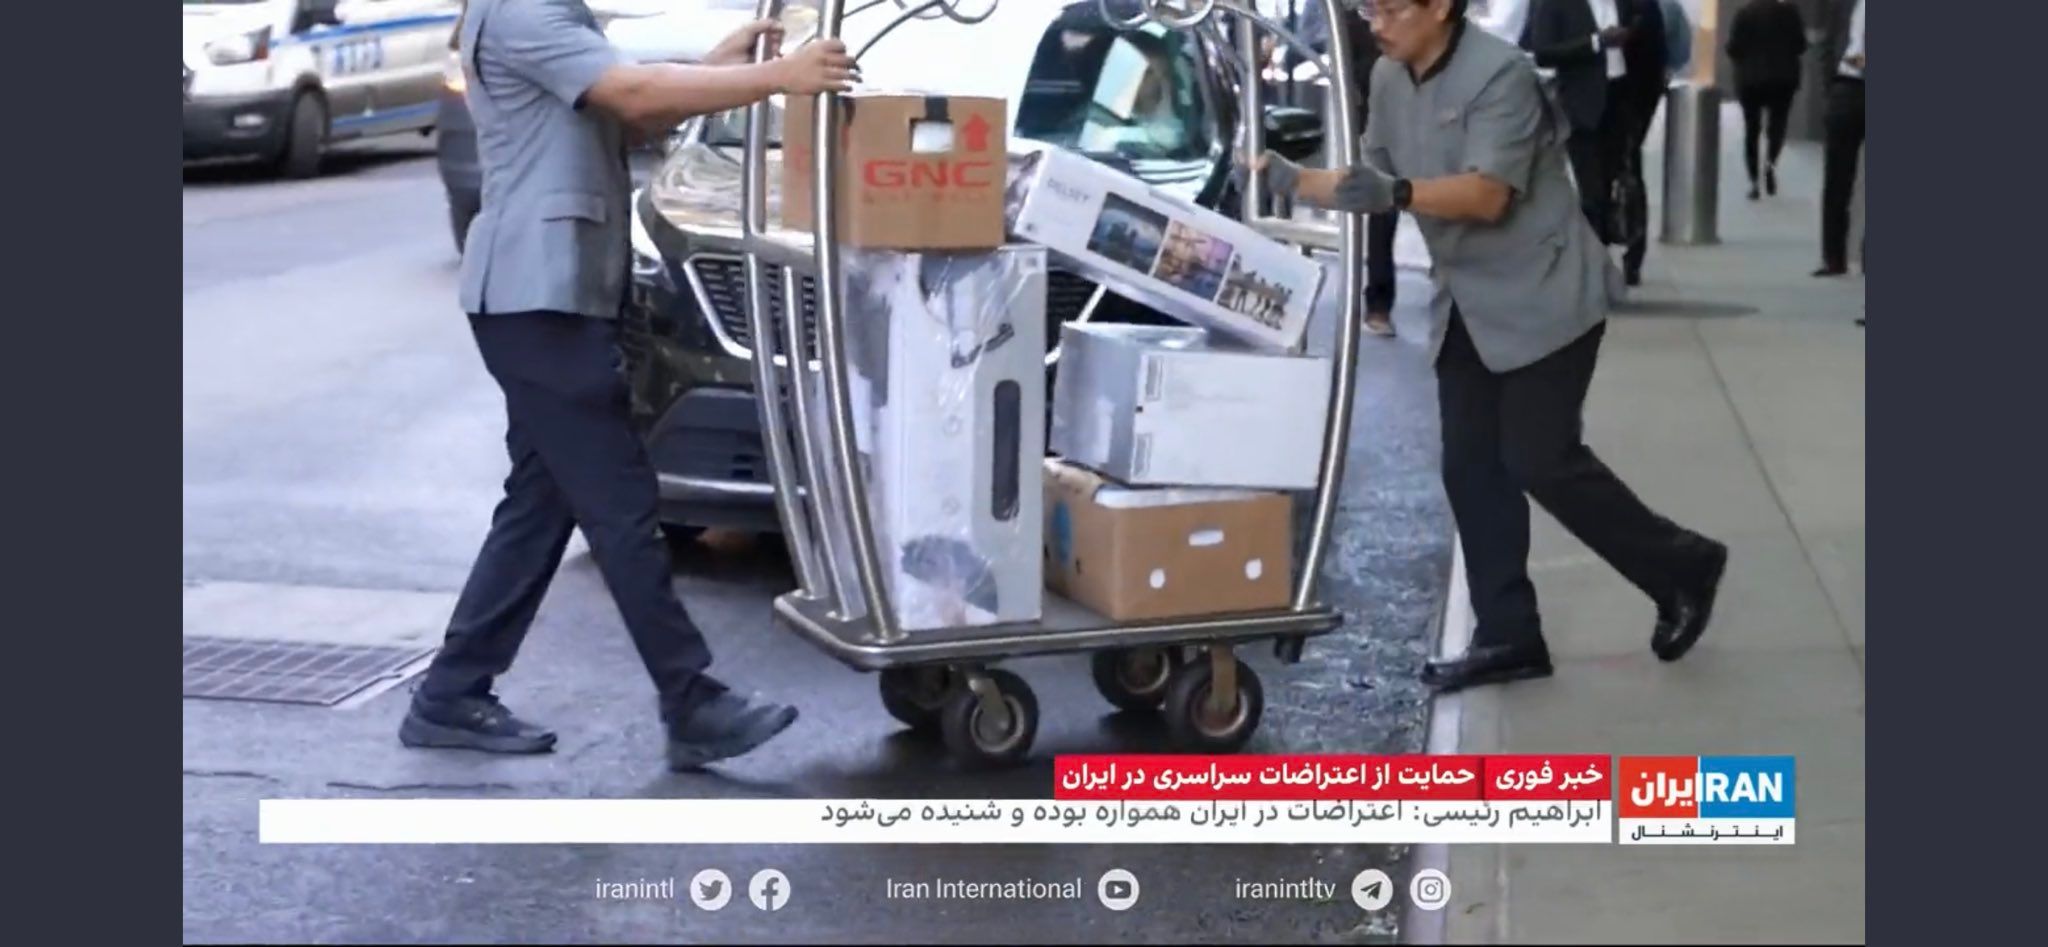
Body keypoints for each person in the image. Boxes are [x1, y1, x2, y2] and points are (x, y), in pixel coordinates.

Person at [402, 0, 856, 769]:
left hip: (549, 294)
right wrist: (777, 77)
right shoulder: (525, 12)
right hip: (536, 298)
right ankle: (692, 700)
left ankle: (451, 693)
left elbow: (621, 116)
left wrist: (720, 71)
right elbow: (633, 96)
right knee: (620, 502)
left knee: (540, 506)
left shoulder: (546, 15)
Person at [1249, 0, 1728, 693]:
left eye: (1389, 8)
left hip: (1546, 291)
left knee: (1540, 457)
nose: (1374, 22)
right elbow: (1369, 180)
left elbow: (1487, 196)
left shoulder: (1501, 75)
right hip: (1468, 301)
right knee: (1470, 467)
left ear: (1440, 7)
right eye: (1366, 8)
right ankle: (1509, 635)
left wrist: (1399, 189)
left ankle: (1682, 563)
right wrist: (1291, 179)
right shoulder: (1388, 77)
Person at [1292, 0, 1401, 336]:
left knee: (1405, 202)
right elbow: (1312, 39)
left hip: (1410, 105)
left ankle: (1384, 302)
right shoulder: (1347, 14)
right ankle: (1378, 303)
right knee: (1383, 202)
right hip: (1373, 116)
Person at [1521, 0, 1641, 249]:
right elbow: (1542, 53)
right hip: (1582, 105)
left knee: (1613, 188)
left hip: (1620, 100)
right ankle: (1592, 266)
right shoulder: (1555, 4)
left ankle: (1606, 249)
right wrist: (1596, 42)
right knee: (1592, 193)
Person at [1725, 0, 1809, 201]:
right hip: (1782, 79)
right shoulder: (1789, 13)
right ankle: (1770, 164)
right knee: (1777, 126)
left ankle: (1754, 182)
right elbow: (1801, 45)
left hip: (1750, 80)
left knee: (1751, 130)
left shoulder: (1744, 14)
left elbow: (1733, 48)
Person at [1614, 0, 1669, 285]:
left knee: (1627, 177)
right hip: (1631, 101)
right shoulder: (1648, 7)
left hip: (1627, 102)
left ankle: (1631, 251)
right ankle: (1632, 253)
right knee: (1629, 175)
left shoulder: (1641, 8)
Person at [1815, 0, 1865, 277]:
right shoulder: (1843, 4)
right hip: (1846, 90)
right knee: (1836, 178)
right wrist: (1831, 88)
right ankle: (1833, 258)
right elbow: (1829, 42)